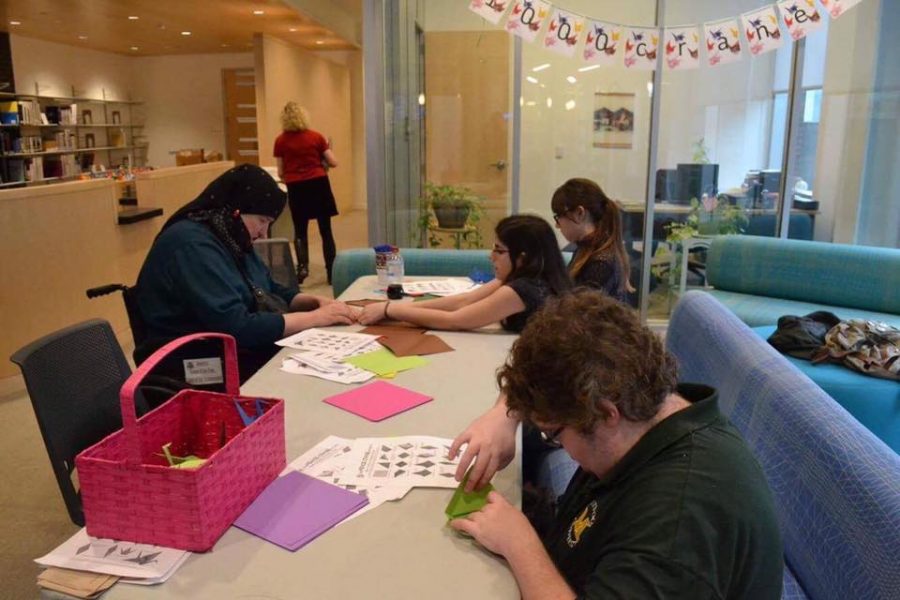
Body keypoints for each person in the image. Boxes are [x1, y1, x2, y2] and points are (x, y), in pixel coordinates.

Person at [449, 290, 784, 598]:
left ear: (606, 413)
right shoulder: (650, 414)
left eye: (555, 433)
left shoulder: (677, 525)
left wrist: (521, 545)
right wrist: (502, 417)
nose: (560, 445)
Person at [135, 164, 354, 382]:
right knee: (309, 380)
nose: (263, 232)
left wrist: (313, 302)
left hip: (229, 349)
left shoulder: (229, 235)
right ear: (235, 212)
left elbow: (266, 288)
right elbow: (237, 327)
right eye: (262, 221)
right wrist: (314, 318)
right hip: (195, 361)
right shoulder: (192, 246)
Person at [357, 215, 572, 332]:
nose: (491, 256)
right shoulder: (524, 277)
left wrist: (390, 310)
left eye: (499, 250)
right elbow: (464, 301)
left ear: (522, 257)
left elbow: (456, 320)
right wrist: (393, 310)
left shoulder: (525, 289)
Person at [273, 102, 340, 284]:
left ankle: (302, 269)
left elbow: (280, 171)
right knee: (325, 230)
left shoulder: (280, 141)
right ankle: (331, 272)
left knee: (300, 230)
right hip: (318, 184)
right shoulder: (316, 137)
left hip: (297, 187)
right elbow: (333, 162)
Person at [551, 178, 633, 303]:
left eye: (558, 217)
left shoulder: (600, 262)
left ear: (579, 213)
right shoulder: (588, 250)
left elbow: (581, 313)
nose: (557, 225)